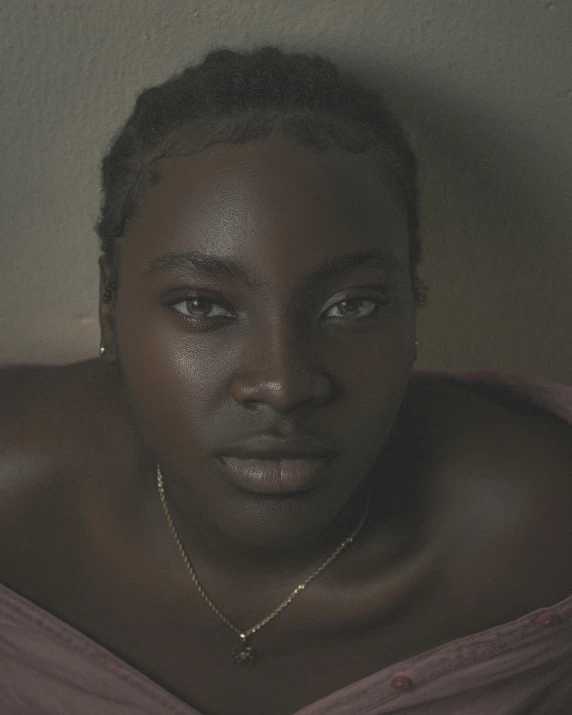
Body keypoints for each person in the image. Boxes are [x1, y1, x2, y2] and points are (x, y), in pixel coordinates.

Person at [0, 46, 571, 715]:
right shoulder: (19, 505)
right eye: (201, 305)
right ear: (110, 304)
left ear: (413, 306)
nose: (283, 384)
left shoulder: (537, 539)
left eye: (351, 305)